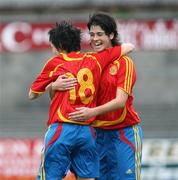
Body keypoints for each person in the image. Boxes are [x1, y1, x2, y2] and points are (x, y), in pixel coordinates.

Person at [28, 21, 134, 180]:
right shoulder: (95, 59)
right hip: (86, 131)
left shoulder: (56, 62)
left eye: (52, 46)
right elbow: (129, 47)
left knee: (49, 176)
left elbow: (32, 94)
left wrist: (52, 85)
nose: (52, 50)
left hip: (62, 128)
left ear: (60, 46)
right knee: (87, 178)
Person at [53, 13, 143, 180]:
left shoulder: (124, 63)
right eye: (92, 34)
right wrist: (53, 86)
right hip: (97, 134)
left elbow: (120, 101)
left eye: (100, 34)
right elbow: (64, 96)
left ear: (111, 35)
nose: (95, 39)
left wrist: (91, 112)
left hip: (124, 132)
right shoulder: (88, 62)